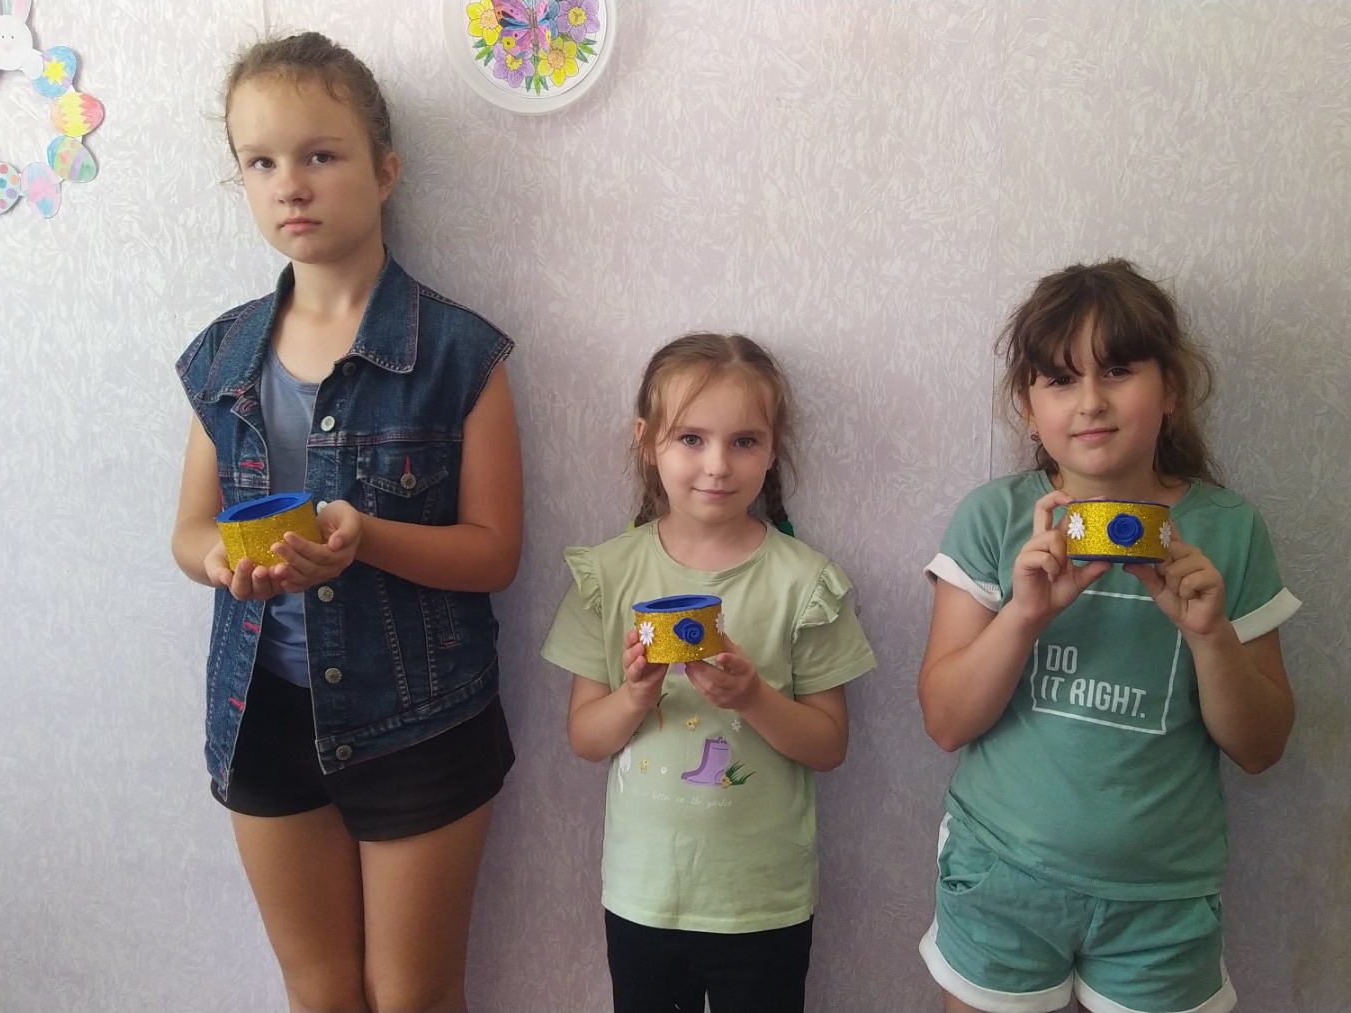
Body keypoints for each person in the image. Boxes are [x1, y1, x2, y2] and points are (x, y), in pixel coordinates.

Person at [169, 32, 521, 1013]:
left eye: (320, 154)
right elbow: (190, 531)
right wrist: (223, 562)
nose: (290, 184)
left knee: (413, 994)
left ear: (385, 171)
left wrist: (366, 537)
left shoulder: (460, 352)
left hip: (420, 715)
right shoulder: (221, 356)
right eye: (260, 162)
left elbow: (496, 552)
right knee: (319, 990)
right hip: (261, 709)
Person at [916, 259, 1301, 1013]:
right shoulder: (994, 519)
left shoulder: (1229, 531)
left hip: (1163, 900)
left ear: (1171, 390)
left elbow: (1261, 747)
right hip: (1000, 875)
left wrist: (1210, 635)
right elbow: (945, 721)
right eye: (1061, 379)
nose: (1091, 401)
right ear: (1028, 407)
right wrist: (1025, 615)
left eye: (1118, 370)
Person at [541, 333, 877, 1013]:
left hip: (762, 901)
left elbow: (829, 745)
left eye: (744, 441)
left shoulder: (805, 582)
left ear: (773, 448)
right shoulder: (607, 575)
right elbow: (585, 738)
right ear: (647, 441)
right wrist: (634, 695)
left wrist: (753, 697)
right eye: (690, 438)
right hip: (643, 894)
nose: (717, 465)